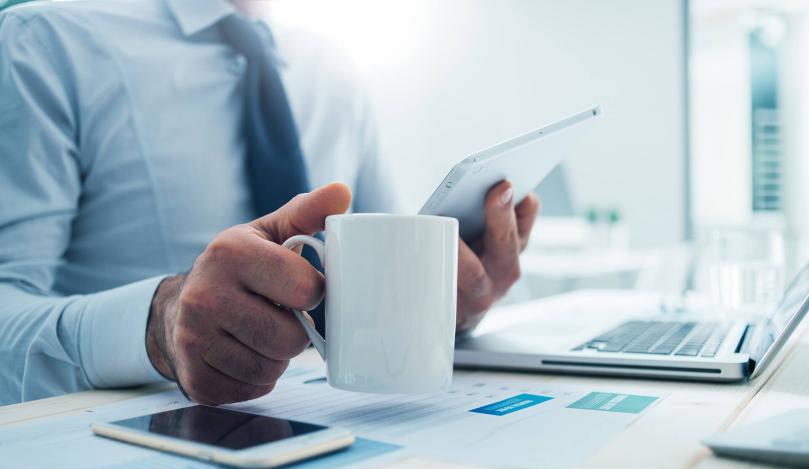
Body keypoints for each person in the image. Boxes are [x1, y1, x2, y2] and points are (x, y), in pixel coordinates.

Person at [0, 0, 538, 406]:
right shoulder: (43, 42)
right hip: (129, 435)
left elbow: (389, 267)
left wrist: (447, 297)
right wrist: (158, 325)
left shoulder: (335, 69)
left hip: (346, 424)